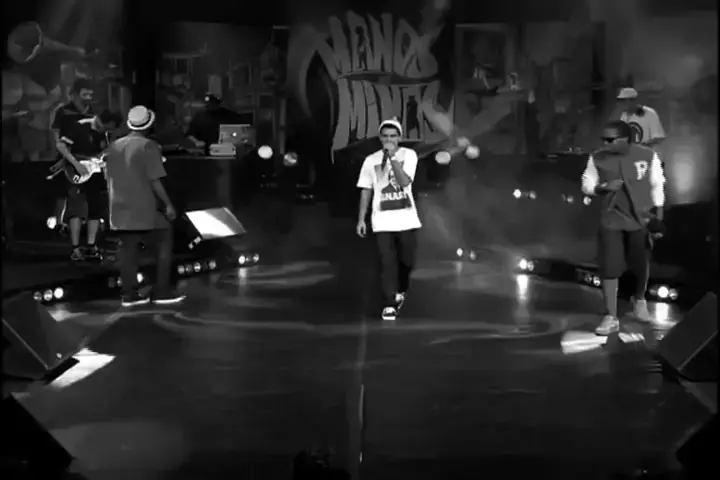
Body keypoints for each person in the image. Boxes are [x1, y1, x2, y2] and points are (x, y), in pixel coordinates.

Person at [581, 120, 666, 336]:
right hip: (611, 219)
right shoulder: (597, 157)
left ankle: (639, 299)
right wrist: (602, 187)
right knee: (609, 266)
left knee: (640, 262)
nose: (605, 143)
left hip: (640, 218)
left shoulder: (647, 155)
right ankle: (610, 316)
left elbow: (657, 185)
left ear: (625, 139)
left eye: (610, 139)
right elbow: (587, 183)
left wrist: (658, 216)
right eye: (604, 139)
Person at [104, 105, 186, 307]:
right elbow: (155, 180)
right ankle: (162, 291)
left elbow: (107, 176)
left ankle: (129, 295)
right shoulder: (149, 146)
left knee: (127, 249)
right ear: (149, 125)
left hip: (118, 207)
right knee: (165, 236)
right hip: (143, 206)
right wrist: (168, 204)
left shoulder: (113, 146)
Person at [356, 118, 422, 321]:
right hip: (382, 221)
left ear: (399, 138)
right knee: (387, 262)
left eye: (393, 136)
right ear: (380, 138)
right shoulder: (371, 160)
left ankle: (401, 289)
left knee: (407, 262)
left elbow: (404, 182)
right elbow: (366, 190)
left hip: (406, 220)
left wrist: (392, 158)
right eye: (385, 136)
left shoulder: (409, 155)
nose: (389, 140)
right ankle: (389, 303)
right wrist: (361, 219)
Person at [51, 79, 107, 261]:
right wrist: (72, 163)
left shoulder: (94, 115)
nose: (88, 98)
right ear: (74, 94)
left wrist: (101, 158)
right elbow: (58, 141)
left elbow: (102, 142)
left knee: (96, 206)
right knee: (75, 206)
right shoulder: (63, 111)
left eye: (90, 94)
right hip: (73, 164)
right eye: (84, 94)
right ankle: (75, 247)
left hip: (94, 166)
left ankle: (91, 245)